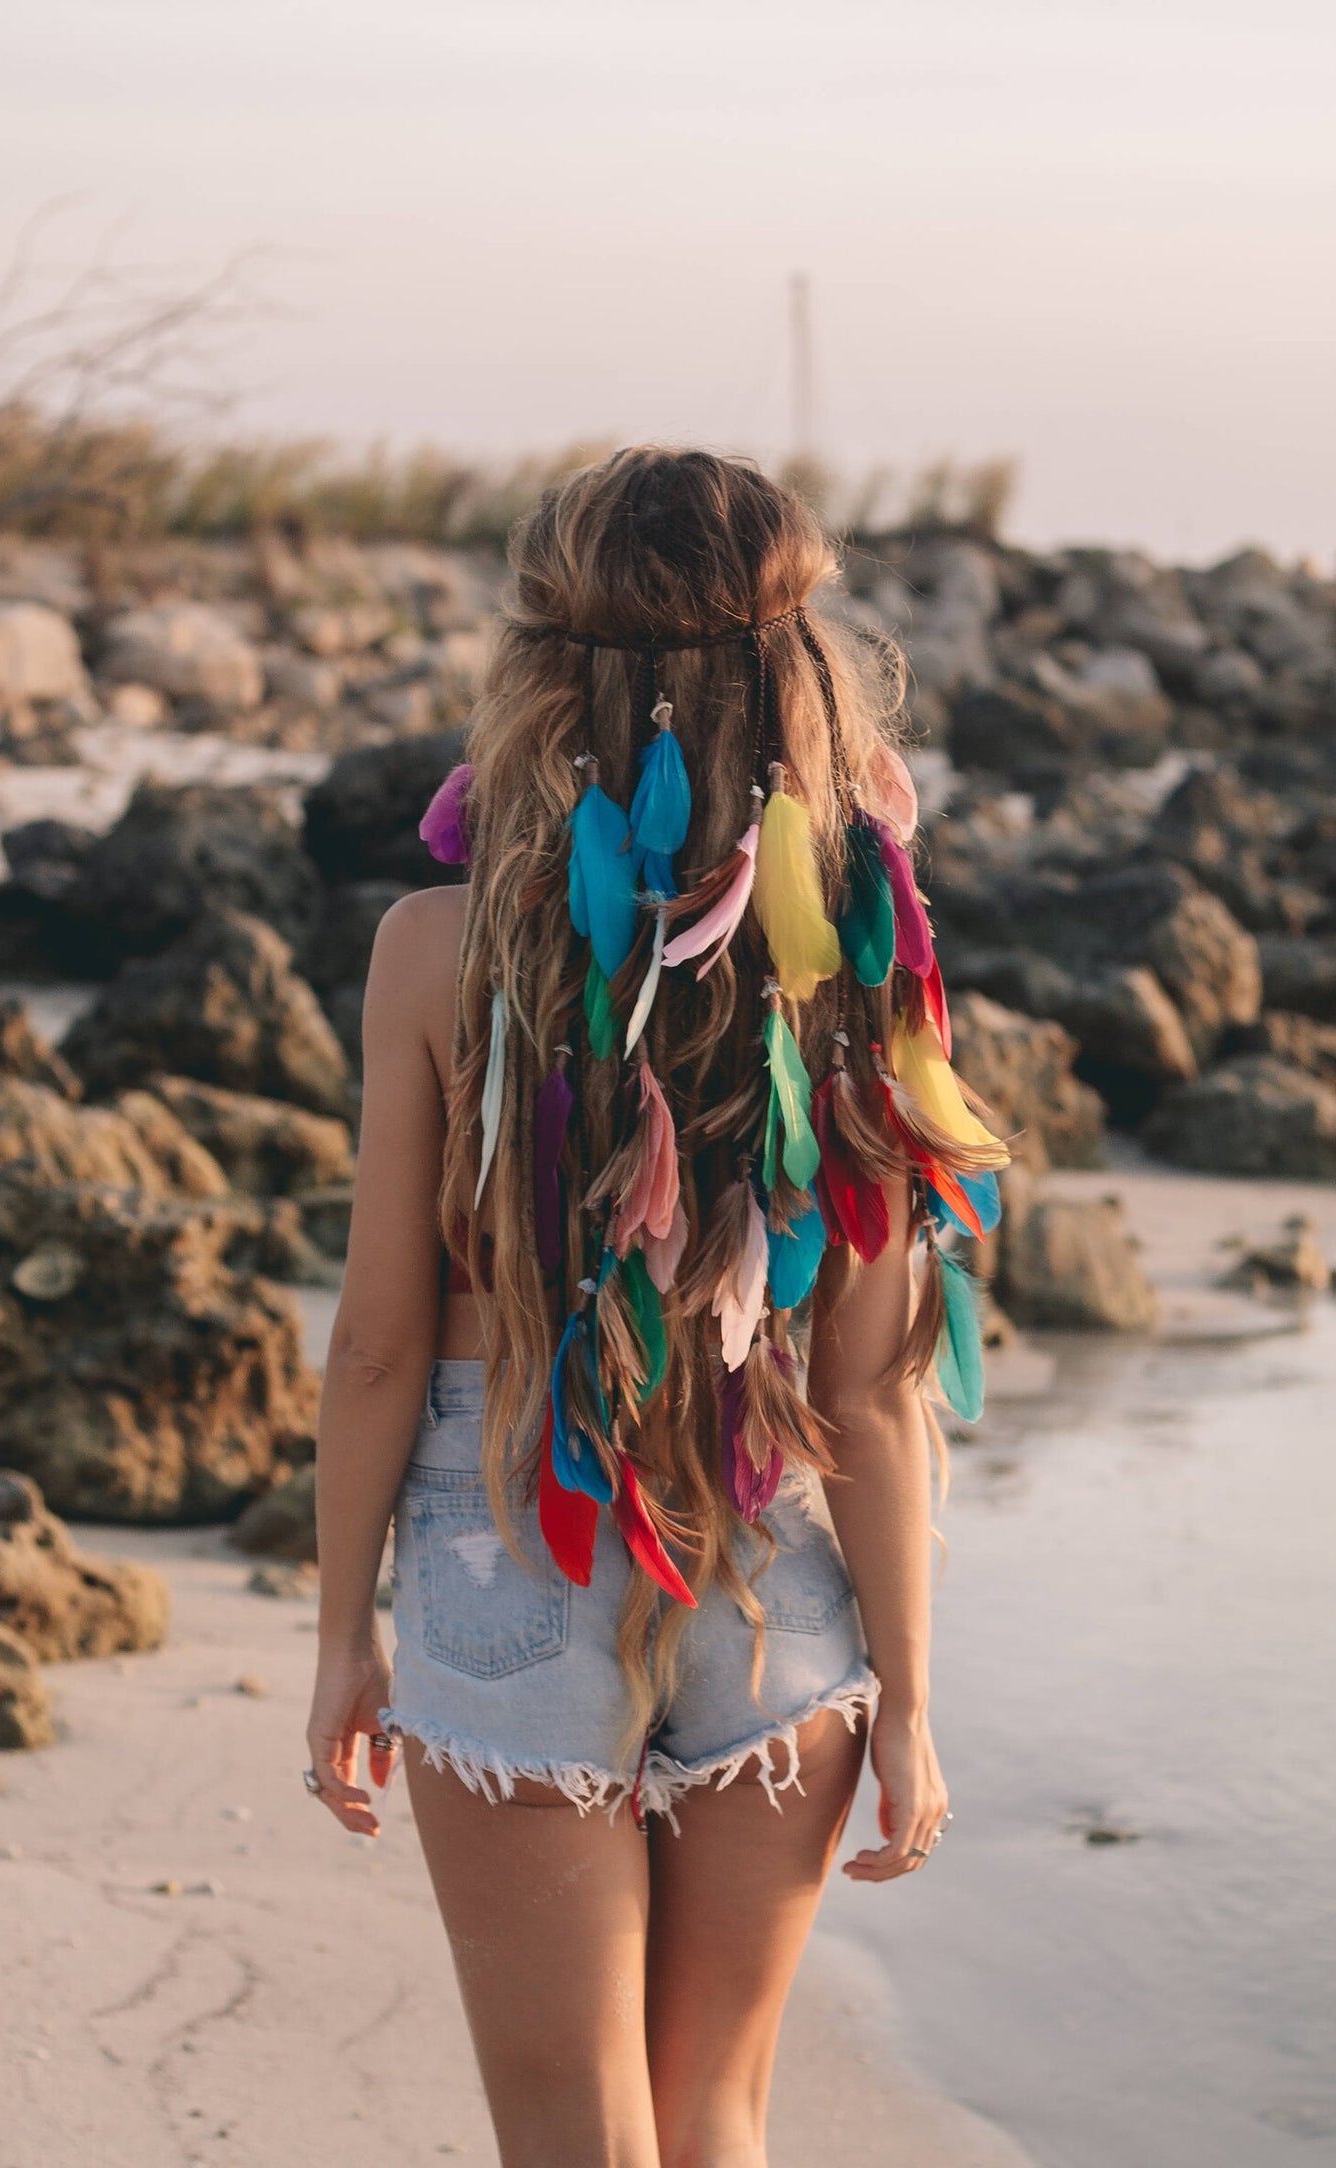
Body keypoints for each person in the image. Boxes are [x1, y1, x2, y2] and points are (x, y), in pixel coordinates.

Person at [304, 447, 1005, 2168]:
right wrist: (906, 1694)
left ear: (539, 677)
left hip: (504, 1540)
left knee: (574, 2138)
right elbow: (867, 1388)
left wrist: (340, 1637)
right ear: (804, 677)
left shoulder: (431, 952)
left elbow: (384, 1338)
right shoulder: (850, 955)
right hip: (773, 1554)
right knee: (712, 2122)